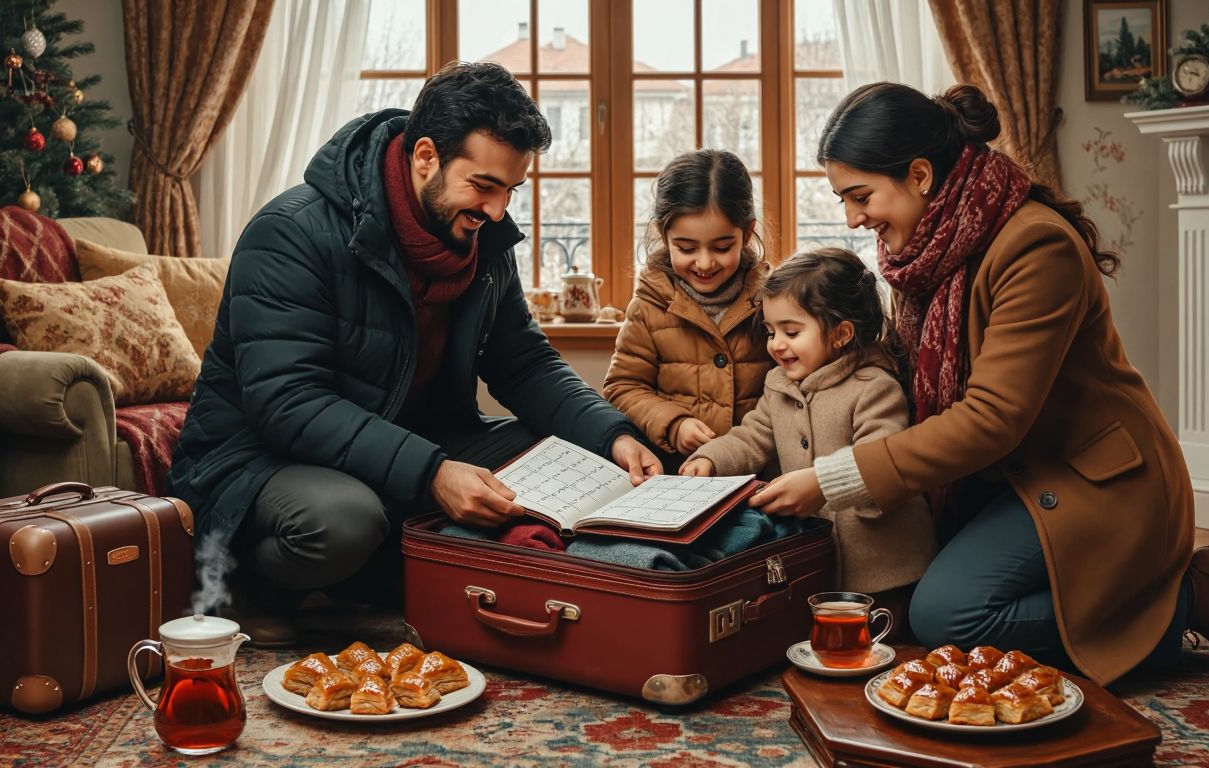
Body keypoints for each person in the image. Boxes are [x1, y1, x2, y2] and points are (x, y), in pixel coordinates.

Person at [166, 62, 660, 644]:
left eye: (510, 190)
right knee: (343, 522)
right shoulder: (291, 232)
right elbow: (287, 403)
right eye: (483, 186)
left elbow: (523, 361)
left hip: (405, 442)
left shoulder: (481, 238)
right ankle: (251, 586)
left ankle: (395, 571)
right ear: (424, 156)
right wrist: (431, 474)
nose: (498, 211)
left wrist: (613, 437)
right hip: (260, 459)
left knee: (574, 459)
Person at [789, 81, 1209, 684]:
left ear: (921, 176)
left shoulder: (1035, 247)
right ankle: (1151, 590)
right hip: (1003, 476)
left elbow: (992, 418)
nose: (853, 218)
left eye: (860, 195)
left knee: (947, 618)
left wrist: (832, 480)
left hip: (1093, 480)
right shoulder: (926, 251)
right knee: (904, 609)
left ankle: (1188, 598)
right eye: (843, 199)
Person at [680, 248, 935, 626]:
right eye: (770, 331)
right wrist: (710, 459)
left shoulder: (874, 388)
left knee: (878, 638)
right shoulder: (779, 385)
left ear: (841, 334)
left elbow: (880, 469)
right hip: (816, 566)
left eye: (792, 332)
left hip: (881, 571)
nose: (776, 344)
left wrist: (828, 486)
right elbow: (751, 436)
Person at [603, 149, 774, 472]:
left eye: (723, 248)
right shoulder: (648, 305)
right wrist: (673, 423)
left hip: (758, 475)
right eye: (687, 248)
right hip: (677, 476)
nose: (705, 262)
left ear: (748, 234)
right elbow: (622, 387)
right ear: (663, 235)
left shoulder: (775, 299)